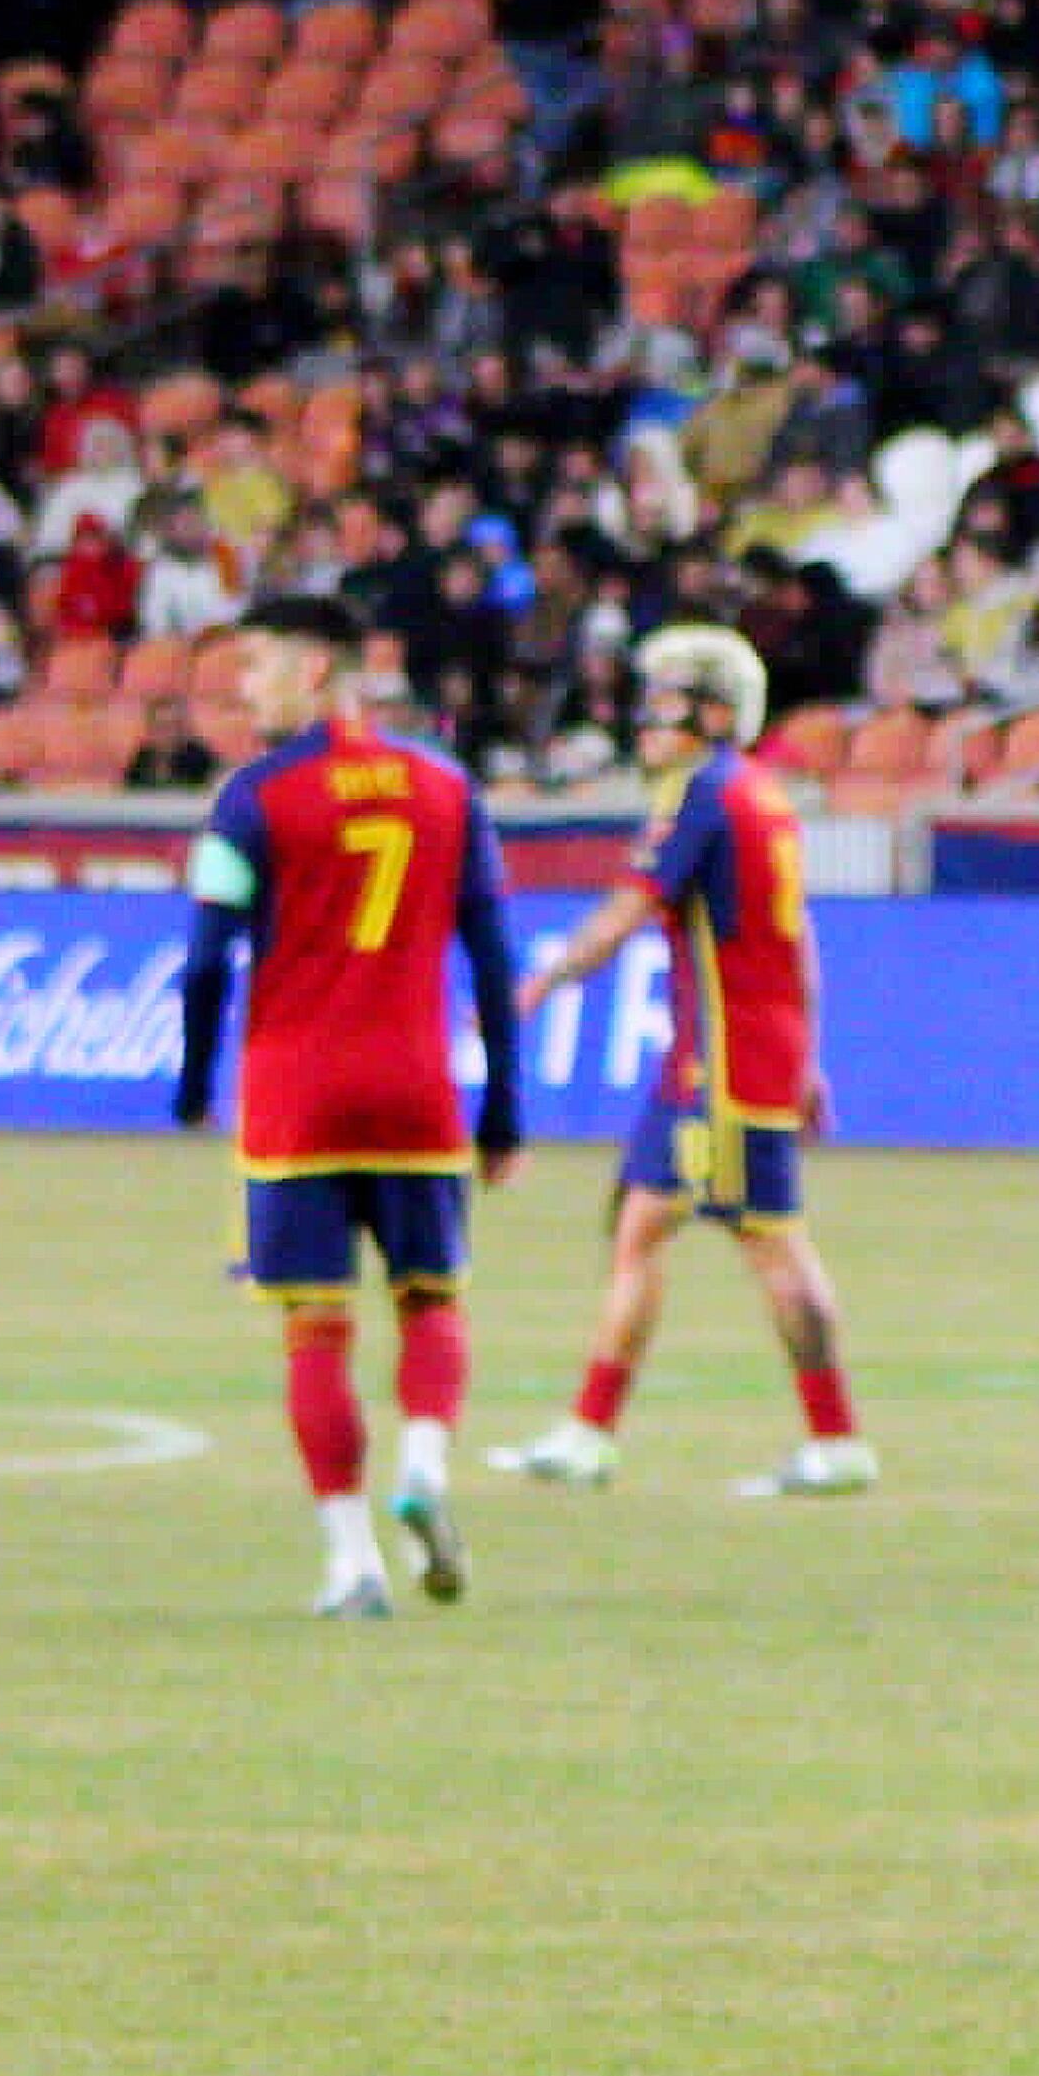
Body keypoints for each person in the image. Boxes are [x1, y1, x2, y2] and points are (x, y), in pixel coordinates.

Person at [170, 595, 525, 1619]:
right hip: (417, 1092)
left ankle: (351, 1563)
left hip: (298, 1099)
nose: (244, 688)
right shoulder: (447, 787)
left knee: (316, 1335)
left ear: (317, 669)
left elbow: (202, 964)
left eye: (259, 666)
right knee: (430, 1301)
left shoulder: (249, 800)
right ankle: (424, 1463)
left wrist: (194, 1084)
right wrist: (503, 1113)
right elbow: (495, 965)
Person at [490, 623, 873, 1500]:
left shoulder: (699, 796)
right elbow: (798, 942)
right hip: (732, 1056)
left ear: (715, 713)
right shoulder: (760, 795)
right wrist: (806, 1058)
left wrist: (544, 980)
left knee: (771, 1243)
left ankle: (837, 1439)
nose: (647, 723)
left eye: (667, 704)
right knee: (640, 1227)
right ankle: (590, 1433)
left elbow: (629, 910)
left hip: (727, 1065)